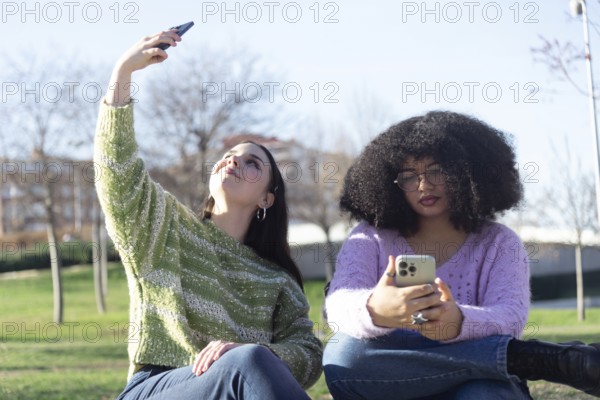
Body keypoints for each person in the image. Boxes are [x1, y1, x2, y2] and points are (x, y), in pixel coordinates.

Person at [94, 29, 322, 400]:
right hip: (155, 387)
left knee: (248, 362)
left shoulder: (276, 278)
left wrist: (263, 353)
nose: (235, 160)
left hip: (238, 383)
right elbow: (116, 173)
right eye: (231, 155)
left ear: (267, 199)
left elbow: (310, 357)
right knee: (247, 364)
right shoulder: (163, 229)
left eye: (253, 164)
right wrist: (122, 75)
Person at [322, 111, 600, 399]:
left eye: (436, 171)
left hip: (477, 384)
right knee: (343, 354)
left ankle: (506, 361)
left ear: (466, 172)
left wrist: (457, 322)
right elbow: (339, 307)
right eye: (408, 176)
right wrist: (374, 308)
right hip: (392, 380)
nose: (423, 185)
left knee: (486, 393)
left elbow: (511, 318)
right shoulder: (369, 237)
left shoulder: (500, 242)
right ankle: (529, 359)